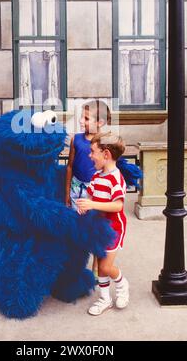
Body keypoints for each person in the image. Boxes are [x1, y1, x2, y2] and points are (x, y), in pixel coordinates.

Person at [76, 132, 129, 316]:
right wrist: (84, 206)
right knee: (99, 267)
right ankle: (105, 299)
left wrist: (92, 204)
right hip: (98, 226)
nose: (90, 155)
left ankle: (122, 286)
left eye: (93, 152)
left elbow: (118, 205)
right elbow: (90, 195)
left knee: (106, 267)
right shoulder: (97, 176)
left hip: (114, 228)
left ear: (105, 154)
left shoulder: (116, 178)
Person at [65, 100, 111, 278]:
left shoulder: (105, 142)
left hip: (95, 191)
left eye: (86, 118)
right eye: (81, 118)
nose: (81, 122)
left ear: (99, 122)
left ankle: (96, 267)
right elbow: (69, 166)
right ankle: (75, 264)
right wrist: (66, 193)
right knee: (76, 227)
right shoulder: (76, 139)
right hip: (76, 188)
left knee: (96, 227)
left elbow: (109, 169)